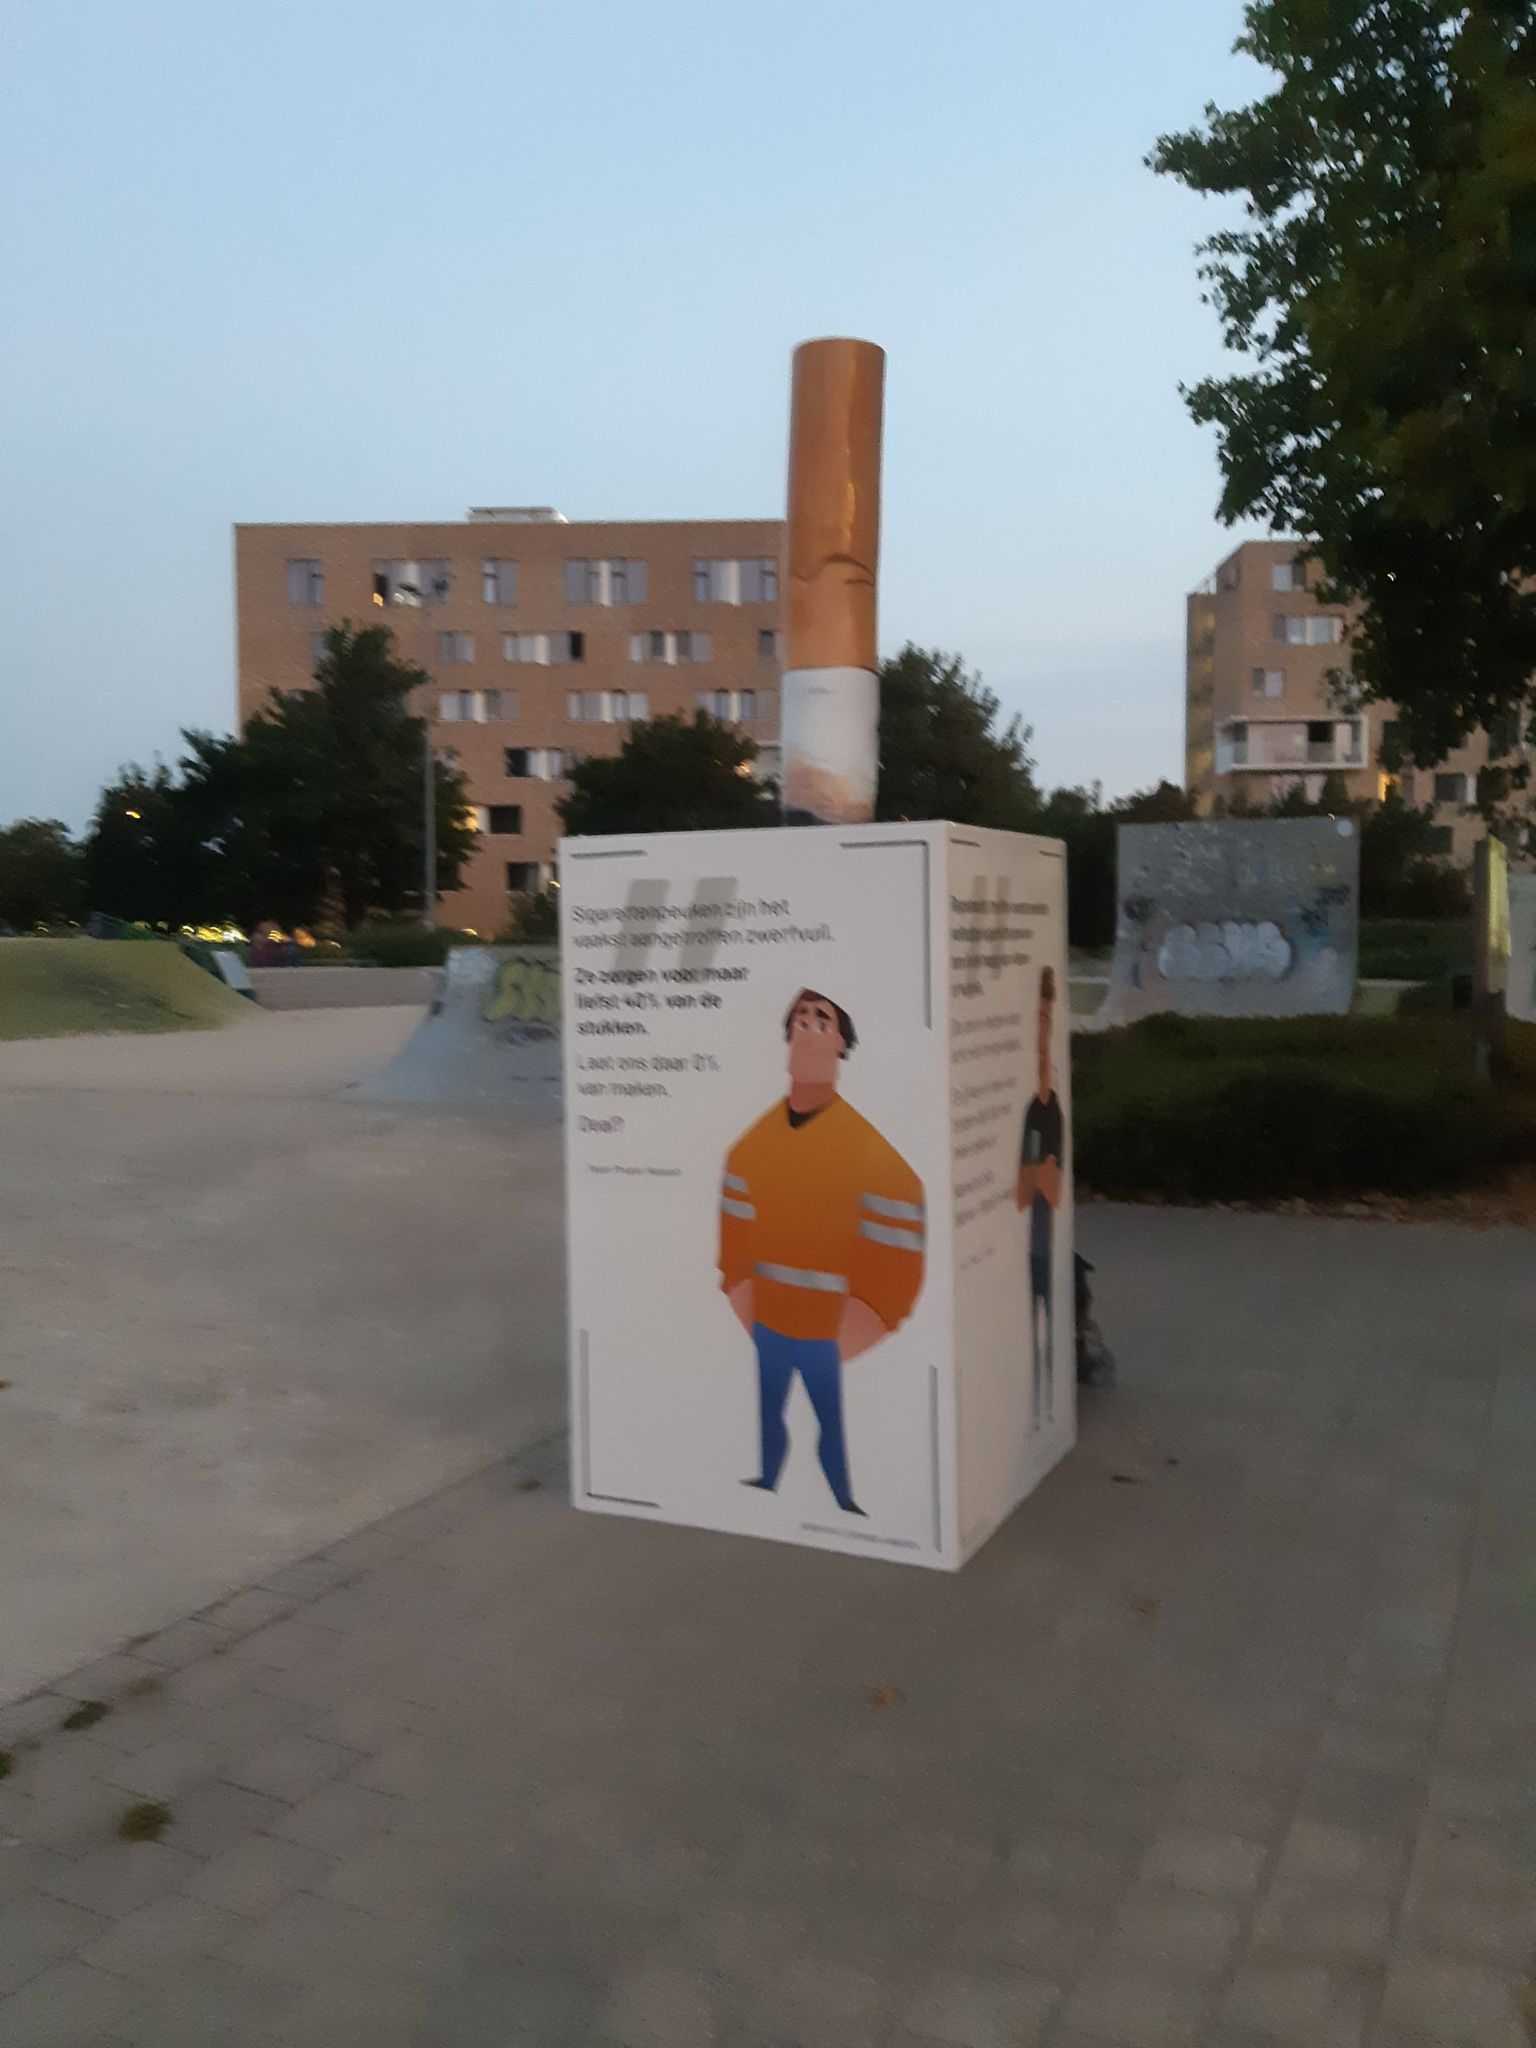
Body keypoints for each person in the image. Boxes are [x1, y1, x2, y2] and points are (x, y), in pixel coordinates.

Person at [718, 989, 925, 1515]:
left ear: (841, 1044)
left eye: (823, 1018)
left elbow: (898, 1255)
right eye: (801, 1017)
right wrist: (748, 1309)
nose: (809, 1023)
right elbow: (734, 1249)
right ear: (789, 1037)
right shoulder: (750, 1148)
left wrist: (855, 1331)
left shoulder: (870, 1153)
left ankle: (843, 1499)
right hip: (769, 1323)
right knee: (770, 1414)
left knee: (829, 1423)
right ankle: (767, 1481)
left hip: (823, 1332)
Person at [1016, 965, 1065, 1430]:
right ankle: (1038, 1406)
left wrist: (1038, 1175)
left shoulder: (1050, 1114)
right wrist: (1036, 1175)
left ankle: (1046, 1405)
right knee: (1033, 1317)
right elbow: (1024, 1185)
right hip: (1031, 1238)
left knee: (1046, 1314)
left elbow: (1047, 1182)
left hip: (1044, 1237)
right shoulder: (1035, 1111)